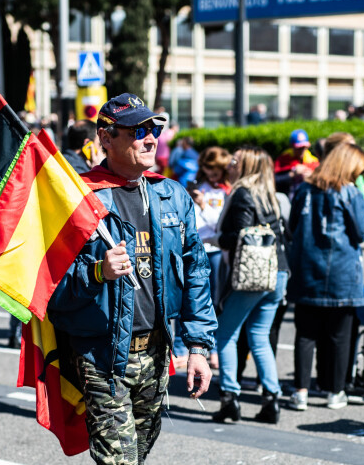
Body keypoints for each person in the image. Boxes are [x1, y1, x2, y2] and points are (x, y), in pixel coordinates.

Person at [48, 93, 217, 464]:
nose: (151, 138)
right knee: (119, 462)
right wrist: (98, 272)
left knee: (135, 457)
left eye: (153, 128)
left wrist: (200, 349)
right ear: (106, 138)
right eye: (138, 130)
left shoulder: (171, 194)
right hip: (102, 356)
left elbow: (196, 274)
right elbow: (50, 288)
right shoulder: (78, 197)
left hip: (156, 355)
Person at [287, 143, 364, 411]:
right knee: (339, 336)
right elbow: (359, 231)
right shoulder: (350, 192)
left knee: (305, 334)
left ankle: (301, 391)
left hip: (306, 269)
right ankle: (335, 392)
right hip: (341, 272)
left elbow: (293, 226)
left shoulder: (305, 189)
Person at [214, 146, 289, 424]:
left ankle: (230, 399)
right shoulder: (271, 195)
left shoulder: (243, 194)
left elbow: (241, 236)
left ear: (246, 167)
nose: (229, 165)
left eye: (234, 161)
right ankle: (272, 399)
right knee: (259, 335)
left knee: (226, 335)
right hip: (278, 272)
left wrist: (216, 239)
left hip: (252, 274)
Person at [180, 146, 232, 369]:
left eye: (216, 169)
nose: (212, 173)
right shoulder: (196, 187)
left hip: (217, 250)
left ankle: (216, 349)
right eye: (208, 168)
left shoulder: (226, 191)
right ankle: (182, 348)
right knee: (190, 299)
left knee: (216, 302)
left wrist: (203, 205)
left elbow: (221, 224)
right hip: (194, 248)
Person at [274, 129, 319, 198]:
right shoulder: (283, 159)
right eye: (299, 148)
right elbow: (275, 180)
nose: (302, 151)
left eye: (304, 147)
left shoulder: (313, 161)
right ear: (291, 146)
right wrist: (292, 174)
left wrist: (312, 176)